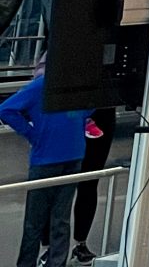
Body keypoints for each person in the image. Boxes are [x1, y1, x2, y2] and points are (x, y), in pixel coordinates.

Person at [0, 70, 87, 267]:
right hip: (62, 156)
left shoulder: (46, 85)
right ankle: (42, 263)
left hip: (57, 156)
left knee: (45, 220)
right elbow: (5, 109)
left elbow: (7, 109)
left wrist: (34, 134)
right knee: (52, 220)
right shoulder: (45, 85)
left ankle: (39, 263)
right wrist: (33, 134)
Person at [69, 110, 113, 263]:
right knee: (59, 188)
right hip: (70, 117)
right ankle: (49, 247)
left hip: (102, 117)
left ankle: (81, 243)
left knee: (89, 184)